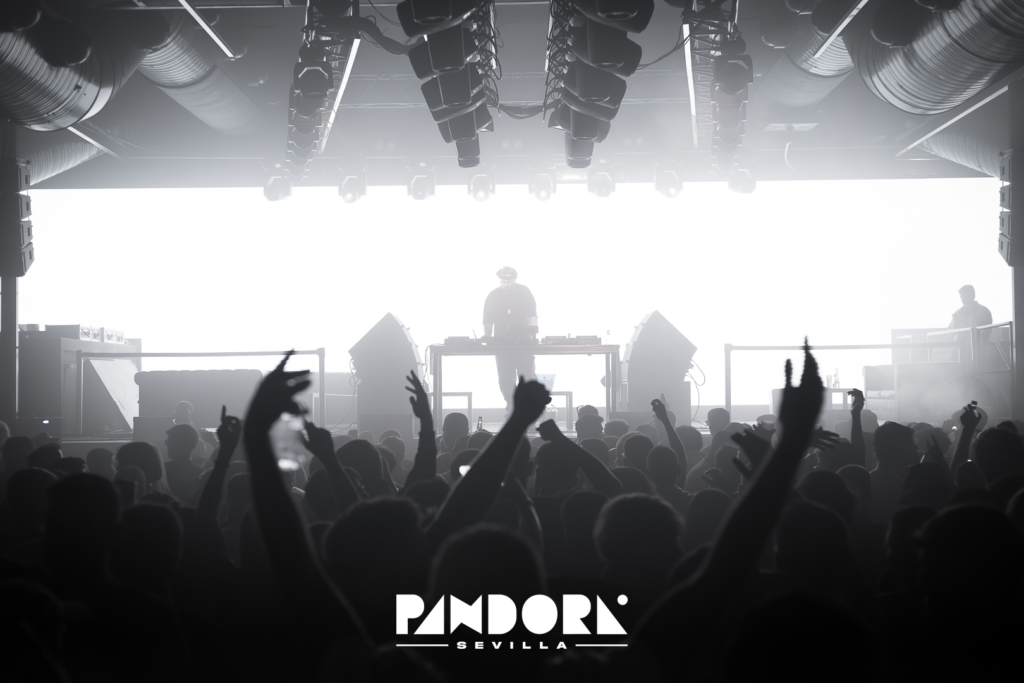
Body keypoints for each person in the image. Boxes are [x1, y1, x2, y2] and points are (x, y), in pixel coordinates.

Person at [482, 267, 538, 416]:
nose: (505, 285)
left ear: (514, 279)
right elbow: (487, 320)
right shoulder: (493, 295)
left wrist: (532, 334)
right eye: (503, 282)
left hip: (524, 343)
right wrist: (488, 337)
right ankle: (512, 407)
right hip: (502, 344)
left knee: (527, 376)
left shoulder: (524, 292)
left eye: (508, 281)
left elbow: (532, 314)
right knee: (505, 378)